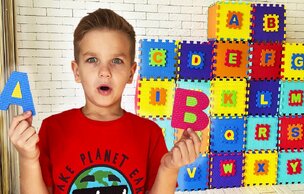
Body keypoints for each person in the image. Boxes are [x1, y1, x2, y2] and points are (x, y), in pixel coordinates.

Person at [9, 8, 201, 194]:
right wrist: (28, 159)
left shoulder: (149, 133)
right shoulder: (52, 129)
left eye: (116, 61)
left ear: (131, 73)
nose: (104, 71)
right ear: (77, 71)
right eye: (92, 59)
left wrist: (169, 167)